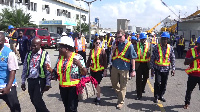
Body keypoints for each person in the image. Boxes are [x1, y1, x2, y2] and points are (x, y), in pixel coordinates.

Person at [46, 36, 87, 112]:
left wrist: (80, 65)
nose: (59, 49)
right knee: (67, 108)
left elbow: (85, 72)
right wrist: (50, 69)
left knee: (72, 109)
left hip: (73, 88)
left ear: (67, 48)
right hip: (62, 87)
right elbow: (56, 73)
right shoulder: (60, 58)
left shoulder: (77, 57)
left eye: (60, 47)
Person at [21, 37, 51, 112]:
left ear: (40, 45)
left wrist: (48, 83)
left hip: (40, 80)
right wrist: (23, 82)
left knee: (37, 99)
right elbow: (25, 68)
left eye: (34, 46)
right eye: (31, 45)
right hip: (30, 80)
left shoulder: (45, 54)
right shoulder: (28, 54)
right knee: (33, 100)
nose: (32, 47)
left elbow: (48, 70)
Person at [111, 29, 137, 109]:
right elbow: (111, 55)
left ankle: (120, 102)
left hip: (124, 68)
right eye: (117, 37)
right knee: (114, 83)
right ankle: (120, 95)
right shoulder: (116, 43)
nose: (118, 39)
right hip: (115, 67)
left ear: (124, 35)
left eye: (120, 37)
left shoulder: (130, 45)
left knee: (123, 86)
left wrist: (133, 70)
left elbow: (133, 58)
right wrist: (113, 49)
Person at [150, 32, 175, 103]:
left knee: (164, 83)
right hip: (158, 69)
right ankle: (156, 96)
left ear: (168, 40)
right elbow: (152, 58)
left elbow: (172, 58)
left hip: (166, 69)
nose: (164, 41)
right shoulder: (156, 47)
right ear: (161, 39)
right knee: (157, 82)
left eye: (166, 39)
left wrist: (173, 69)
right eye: (163, 39)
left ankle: (161, 95)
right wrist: (152, 68)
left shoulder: (170, 48)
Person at [0, 32, 21, 112]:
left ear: (3, 41)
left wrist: (8, 88)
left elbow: (12, 71)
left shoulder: (9, 53)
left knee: (15, 108)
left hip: (7, 86)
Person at [86, 37, 107, 105]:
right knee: (94, 84)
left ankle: (98, 99)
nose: (98, 44)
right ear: (94, 43)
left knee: (97, 84)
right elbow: (89, 60)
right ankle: (96, 96)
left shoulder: (102, 51)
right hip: (92, 70)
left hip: (99, 70)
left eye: (99, 43)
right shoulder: (91, 51)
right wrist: (87, 67)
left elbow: (105, 61)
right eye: (97, 43)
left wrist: (105, 70)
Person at [183, 36, 200, 109]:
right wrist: (195, 58)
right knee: (189, 90)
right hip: (193, 75)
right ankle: (187, 103)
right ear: (198, 44)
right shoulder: (191, 51)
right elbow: (185, 62)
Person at [134, 33, 151, 100]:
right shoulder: (136, 45)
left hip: (146, 64)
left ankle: (142, 88)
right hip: (138, 64)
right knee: (138, 79)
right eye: (142, 39)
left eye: (144, 39)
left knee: (145, 78)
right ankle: (139, 94)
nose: (143, 40)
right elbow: (133, 54)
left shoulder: (149, 45)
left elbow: (151, 54)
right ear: (140, 39)